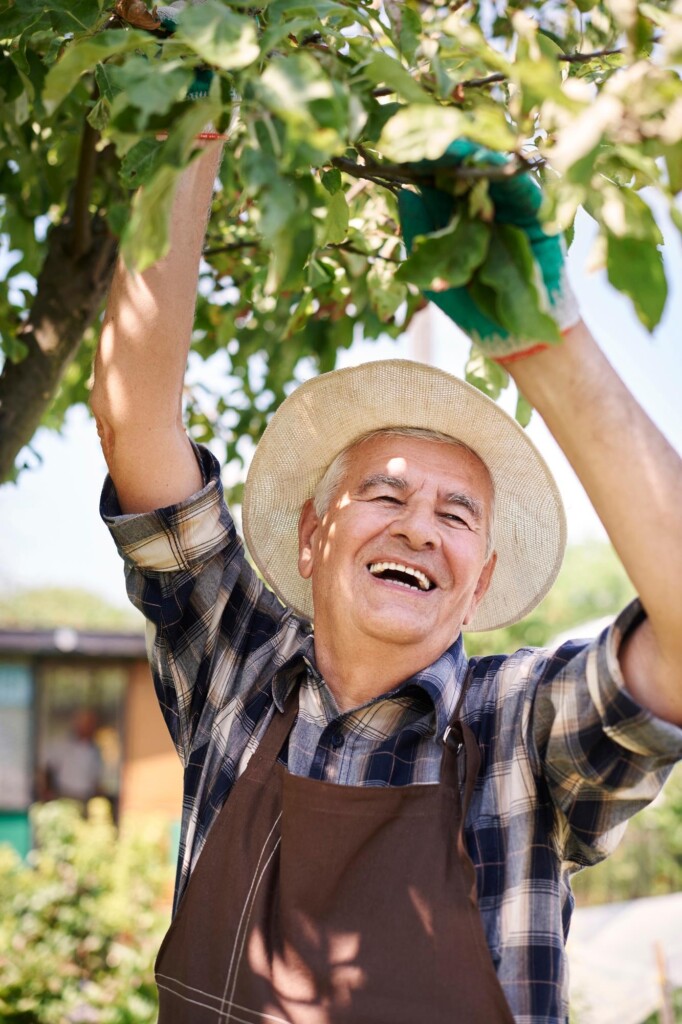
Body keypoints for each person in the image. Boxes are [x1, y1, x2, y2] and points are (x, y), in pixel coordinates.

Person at [92, 138, 682, 1024]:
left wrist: (549, 344)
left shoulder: (520, 735)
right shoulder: (235, 669)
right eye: (385, 492)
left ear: (477, 586)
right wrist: (193, 123)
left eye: (456, 515)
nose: (418, 526)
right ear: (309, 535)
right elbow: (133, 427)